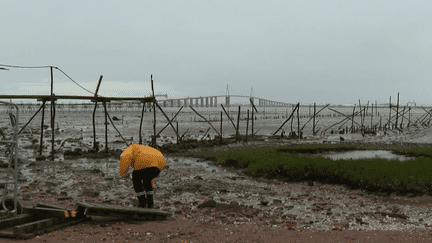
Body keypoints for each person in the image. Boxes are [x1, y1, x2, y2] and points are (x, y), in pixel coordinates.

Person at [120, 144, 165, 208]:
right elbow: (148, 174)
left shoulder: (129, 150)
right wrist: (150, 183)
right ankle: (150, 203)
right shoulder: (140, 150)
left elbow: (124, 157)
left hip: (148, 162)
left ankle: (142, 203)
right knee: (147, 180)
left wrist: (124, 174)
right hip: (160, 162)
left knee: (135, 177)